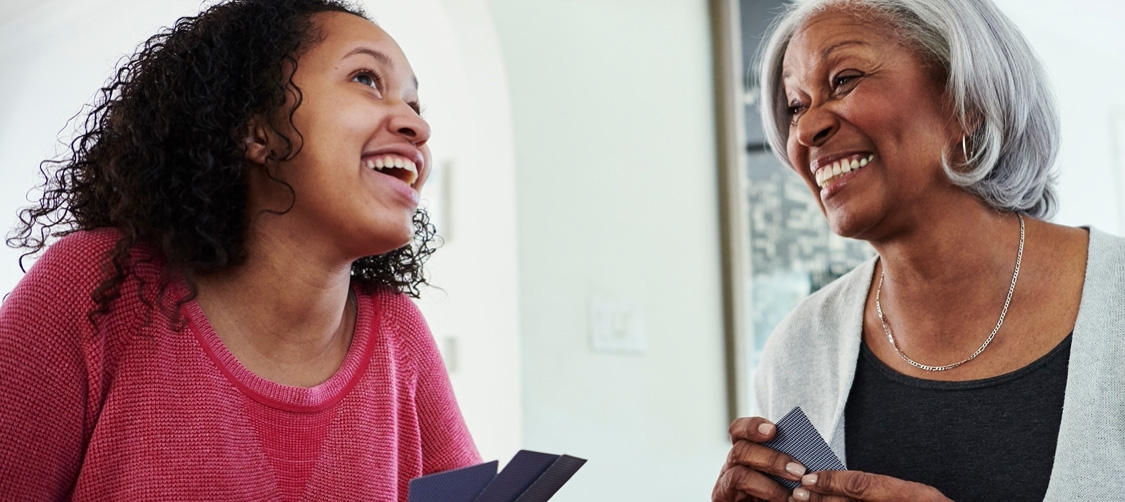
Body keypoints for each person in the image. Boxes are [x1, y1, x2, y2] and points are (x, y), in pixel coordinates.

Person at [0, 0, 480, 500]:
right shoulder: (96, 287)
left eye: (415, 106)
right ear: (256, 131)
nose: (416, 127)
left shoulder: (397, 333)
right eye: (366, 79)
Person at [712, 0, 1125, 500]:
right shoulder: (800, 349)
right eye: (796, 105)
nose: (804, 130)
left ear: (967, 102)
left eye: (843, 80)